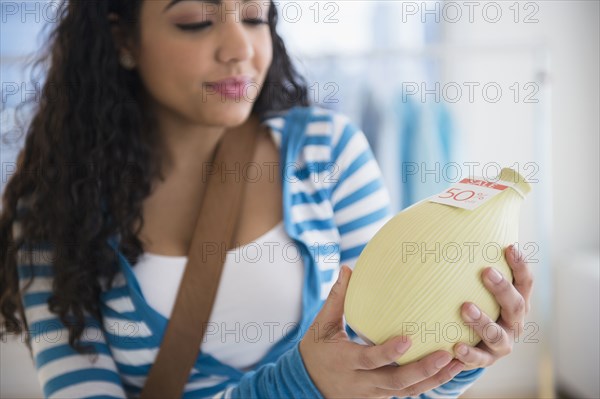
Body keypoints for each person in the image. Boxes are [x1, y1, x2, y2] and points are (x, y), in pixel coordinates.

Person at [0, 0, 535, 398]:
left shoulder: (328, 153)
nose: (240, 50)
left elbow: (391, 374)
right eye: (195, 21)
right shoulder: (52, 212)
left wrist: (460, 356)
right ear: (123, 40)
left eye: (254, 17)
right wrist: (299, 384)